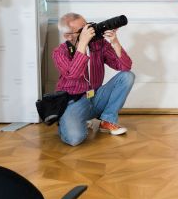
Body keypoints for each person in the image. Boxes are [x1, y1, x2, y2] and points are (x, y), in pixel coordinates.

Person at [51, 14, 134, 145]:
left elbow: (125, 66)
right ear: (68, 36)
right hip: (74, 101)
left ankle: (107, 120)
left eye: (87, 26)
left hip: (95, 97)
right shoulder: (60, 52)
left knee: (127, 77)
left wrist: (115, 42)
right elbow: (73, 75)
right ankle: (67, 120)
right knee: (74, 139)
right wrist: (82, 43)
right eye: (82, 30)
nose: (88, 31)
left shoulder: (98, 45)